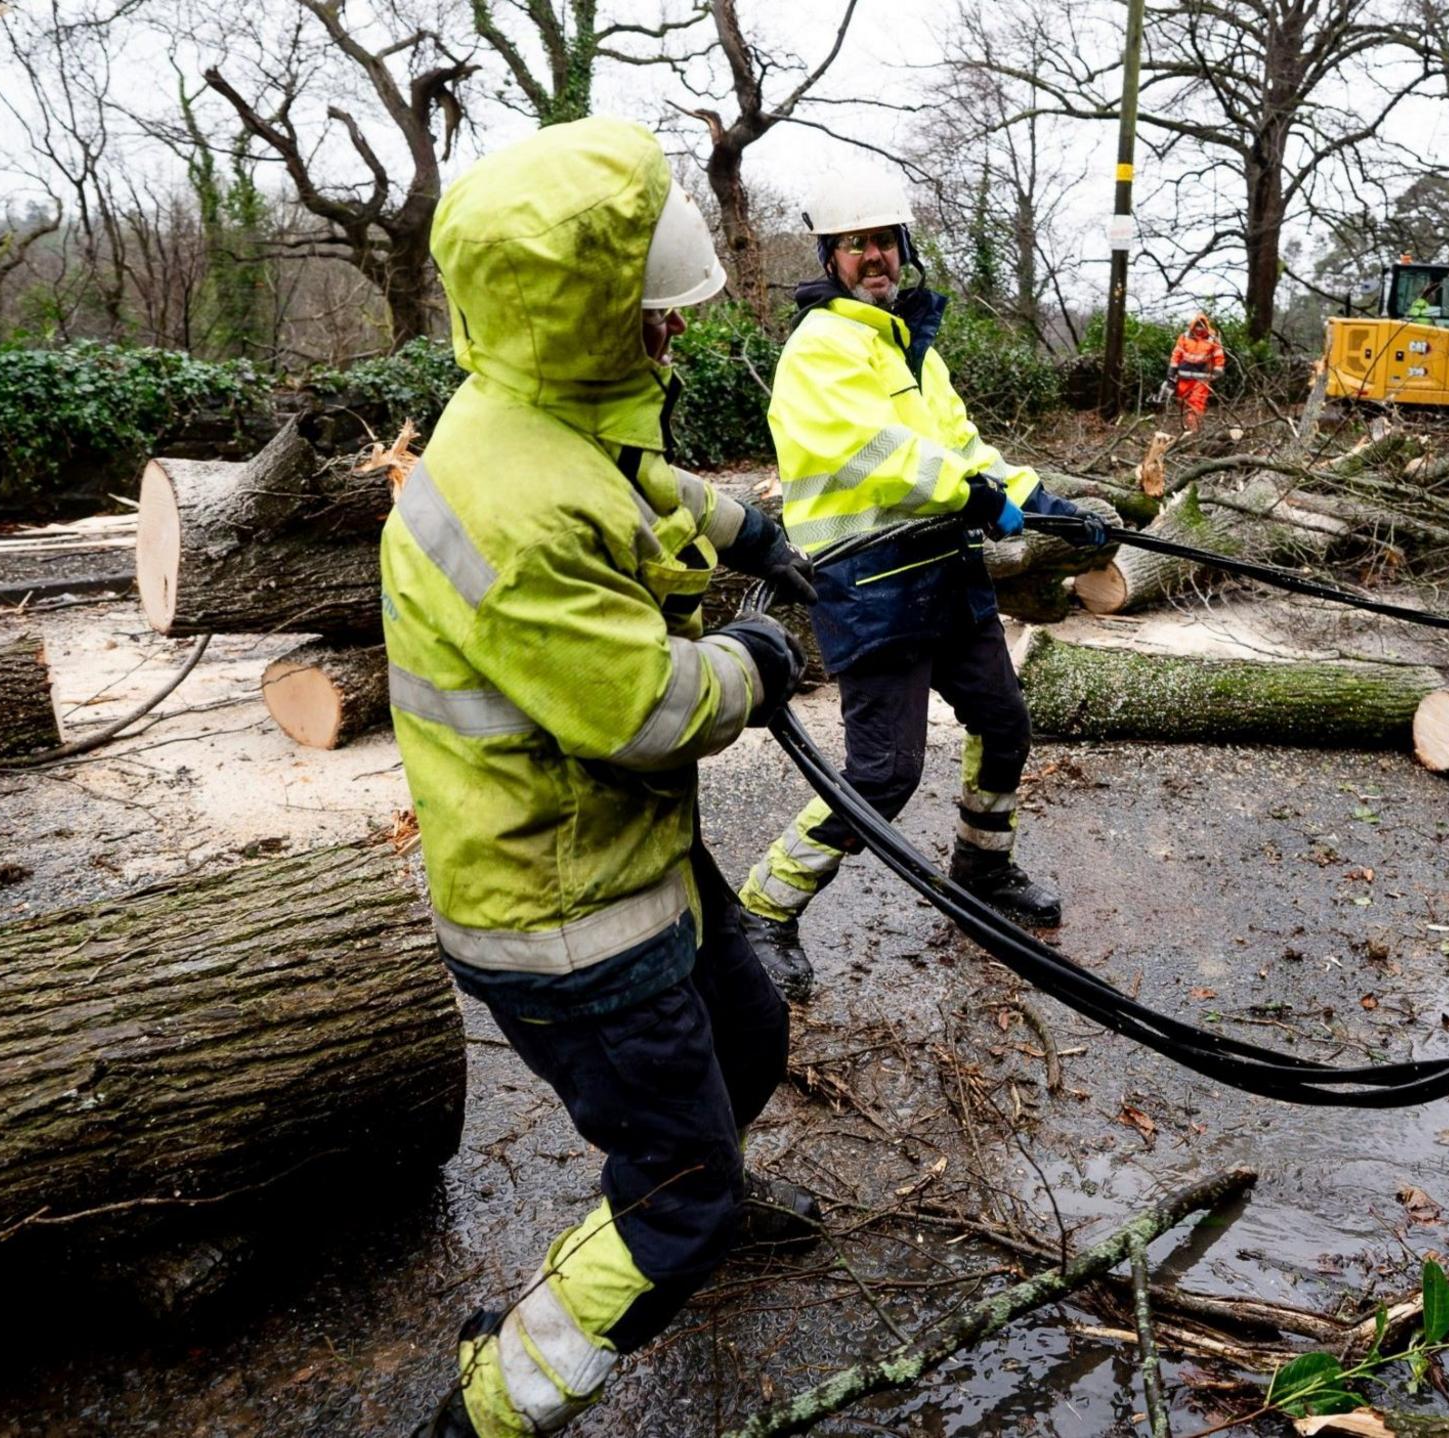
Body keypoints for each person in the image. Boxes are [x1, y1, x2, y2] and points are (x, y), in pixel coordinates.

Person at [390, 119, 824, 1438]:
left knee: (748, 1031)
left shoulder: (544, 411)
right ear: (583, 318)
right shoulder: (510, 505)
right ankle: (491, 1401)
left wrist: (760, 530)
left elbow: (637, 481)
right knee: (680, 1188)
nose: (672, 337)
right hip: (564, 913)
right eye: (653, 317)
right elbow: (646, 707)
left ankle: (697, 1207)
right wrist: (761, 652)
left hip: (621, 859)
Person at [735, 163, 1112, 1000]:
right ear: (831, 255)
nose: (875, 256)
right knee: (883, 774)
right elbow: (876, 451)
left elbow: (964, 449)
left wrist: (1046, 505)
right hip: (869, 586)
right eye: (857, 244)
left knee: (1005, 726)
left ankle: (982, 868)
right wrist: (968, 492)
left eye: (885, 242)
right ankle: (764, 907)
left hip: (944, 574)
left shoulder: (909, 345)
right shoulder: (820, 347)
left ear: (903, 248)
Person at [1167, 312, 1227, 434]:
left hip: (1202, 378)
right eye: (1197, 327)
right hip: (1184, 375)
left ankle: (1193, 431)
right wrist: (1172, 370)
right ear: (1193, 326)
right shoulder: (1184, 337)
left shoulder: (1212, 339)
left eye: (1201, 327)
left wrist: (1217, 371)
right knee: (1182, 402)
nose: (1199, 330)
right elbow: (1176, 354)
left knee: (1196, 403)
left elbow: (1219, 356)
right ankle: (1186, 427)